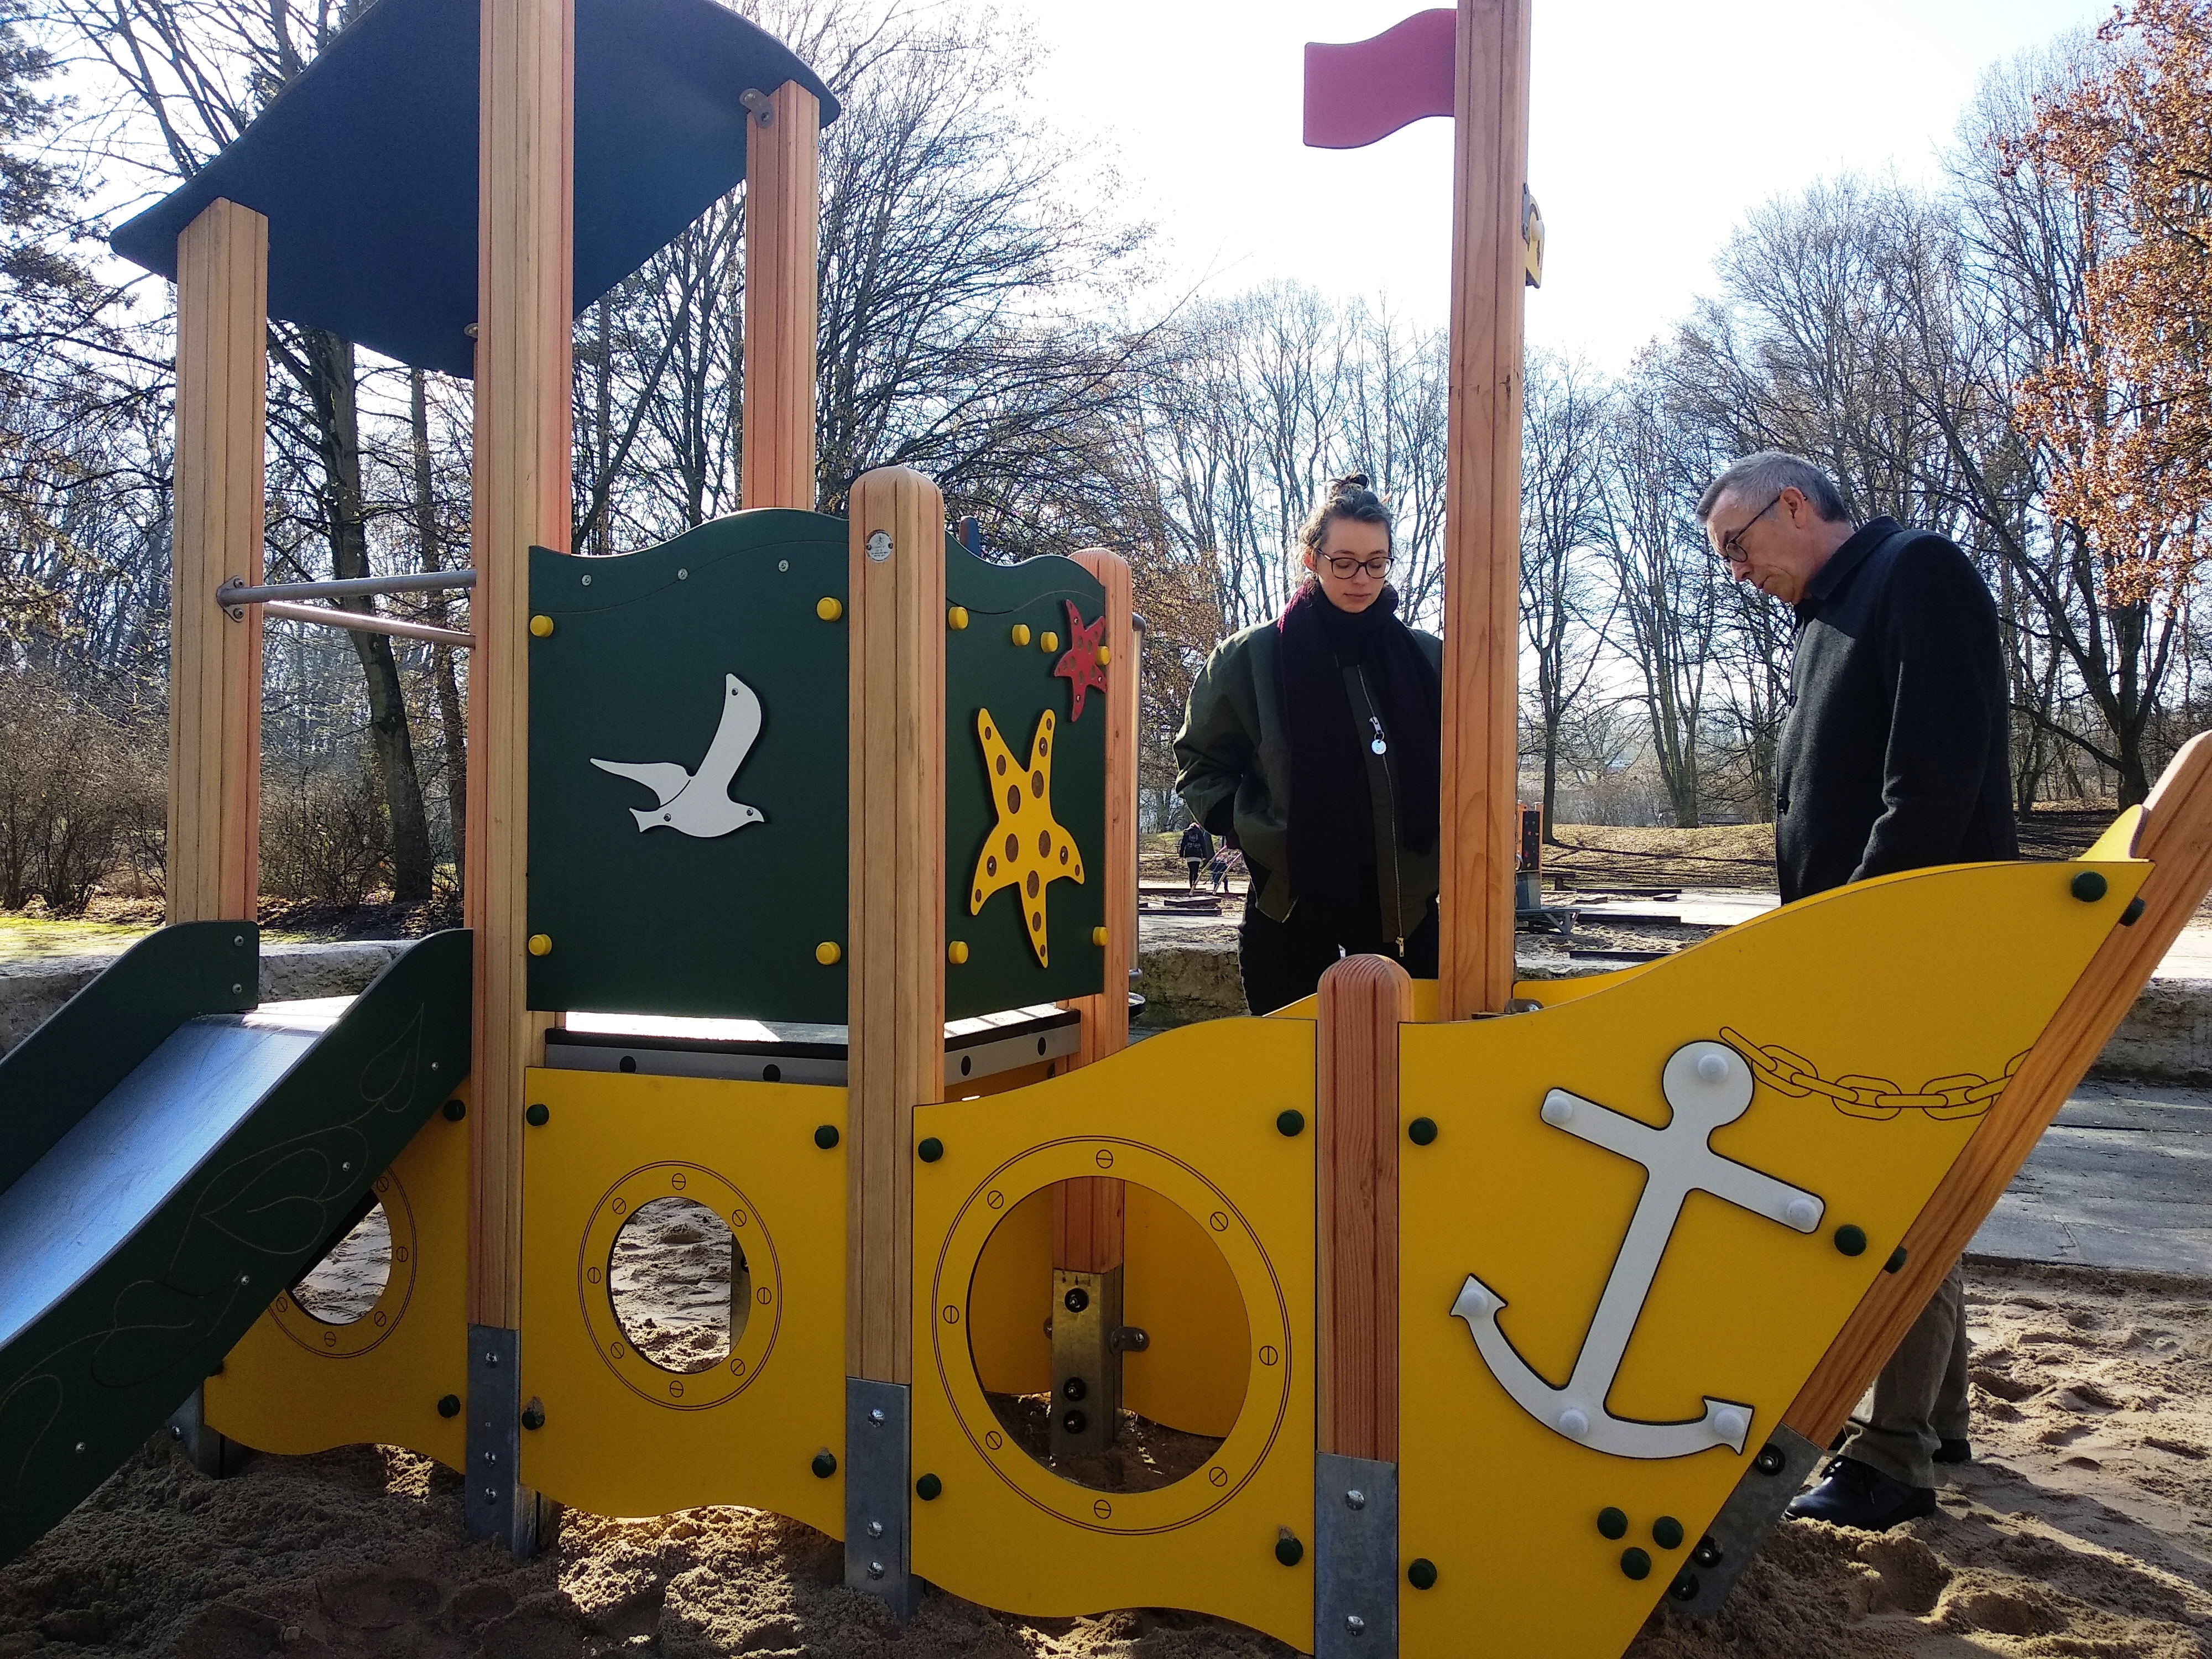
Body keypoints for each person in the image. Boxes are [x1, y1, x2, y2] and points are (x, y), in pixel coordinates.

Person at [1698, 450, 2015, 1533]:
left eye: (1736, 546)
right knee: (1914, 1184)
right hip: (1865, 949)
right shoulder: (1822, 620)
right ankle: (1938, 1415)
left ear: (1793, 504)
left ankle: (1889, 1461)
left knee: (1887, 1194)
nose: (1735, 573)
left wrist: (1853, 943)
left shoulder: (1915, 572)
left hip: (1913, 953)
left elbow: (1927, 783)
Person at [1174, 473, 1443, 1014]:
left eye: (1376, 562)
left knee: (1412, 1087)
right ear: (1311, 558)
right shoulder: (1248, 660)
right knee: (1294, 1086)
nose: (1360, 578)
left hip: (1407, 921)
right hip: (1288, 916)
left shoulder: (1429, 661)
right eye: (1343, 561)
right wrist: (1254, 831)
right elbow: (1200, 762)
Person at [1178, 821, 1214, 891]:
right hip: (1197, 855)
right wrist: (1205, 855)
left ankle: (1191, 885)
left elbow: (1183, 844)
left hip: (1189, 855)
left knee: (1191, 871)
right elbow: (1203, 845)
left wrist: (1181, 854)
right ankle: (1195, 885)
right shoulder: (1199, 833)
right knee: (1196, 871)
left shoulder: (1186, 833)